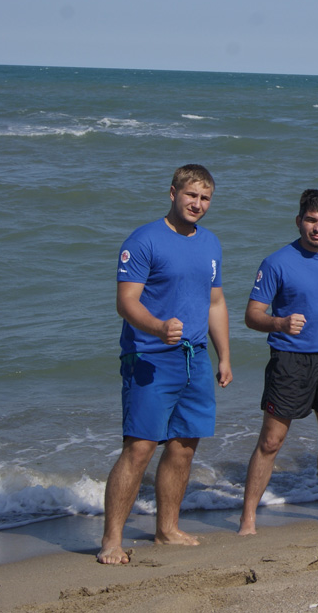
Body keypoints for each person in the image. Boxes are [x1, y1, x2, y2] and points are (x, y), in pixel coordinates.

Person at [99, 164, 232, 565]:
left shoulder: (210, 243)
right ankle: (111, 541)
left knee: (184, 446)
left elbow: (215, 302)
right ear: (172, 193)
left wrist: (224, 356)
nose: (197, 204)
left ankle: (167, 529)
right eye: (191, 195)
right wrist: (157, 328)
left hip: (195, 359)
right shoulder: (143, 241)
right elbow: (126, 302)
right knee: (139, 447)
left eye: (205, 198)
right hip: (149, 357)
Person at [238, 189, 318, 535]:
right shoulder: (276, 262)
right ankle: (248, 517)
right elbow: (252, 315)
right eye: (311, 220)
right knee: (271, 441)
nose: (317, 227)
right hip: (289, 360)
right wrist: (279, 323)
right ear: (299, 221)